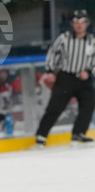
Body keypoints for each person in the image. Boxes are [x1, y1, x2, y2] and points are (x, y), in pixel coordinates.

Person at [36, 9, 95, 146]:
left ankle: (78, 133)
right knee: (55, 107)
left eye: (82, 22)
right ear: (72, 24)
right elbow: (52, 52)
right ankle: (41, 135)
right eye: (76, 22)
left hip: (83, 79)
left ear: (86, 23)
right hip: (65, 78)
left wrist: (89, 71)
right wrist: (50, 70)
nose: (79, 25)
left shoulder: (92, 41)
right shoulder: (64, 38)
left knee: (89, 103)